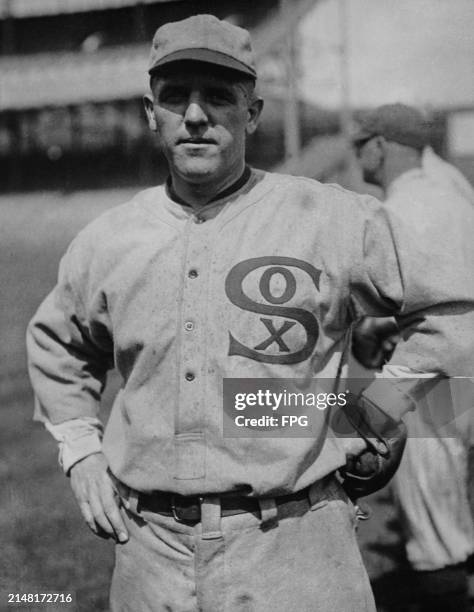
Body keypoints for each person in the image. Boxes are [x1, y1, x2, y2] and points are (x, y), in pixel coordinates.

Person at [26, 17, 473, 612]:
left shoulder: (330, 217)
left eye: (218, 96)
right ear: (148, 111)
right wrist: (80, 449)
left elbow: (453, 308)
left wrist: (377, 411)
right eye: (175, 96)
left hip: (297, 544)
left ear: (253, 113)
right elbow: (59, 344)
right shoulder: (108, 238)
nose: (195, 115)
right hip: (147, 553)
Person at [352, 103, 474, 612]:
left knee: (435, 536)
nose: (359, 154)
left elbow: (445, 326)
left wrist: (373, 409)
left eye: (362, 144)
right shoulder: (450, 191)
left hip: (440, 377)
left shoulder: (406, 207)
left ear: (380, 145)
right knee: (455, 517)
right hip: (462, 370)